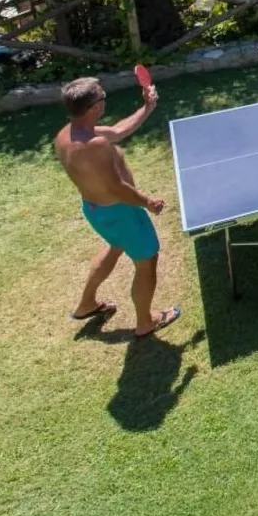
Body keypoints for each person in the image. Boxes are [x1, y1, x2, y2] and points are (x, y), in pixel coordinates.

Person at [53, 77, 180, 338]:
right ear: (93, 108)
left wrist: (147, 107)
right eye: (102, 98)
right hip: (121, 212)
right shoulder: (95, 145)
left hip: (95, 211)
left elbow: (119, 131)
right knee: (147, 262)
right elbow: (116, 187)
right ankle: (146, 322)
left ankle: (86, 304)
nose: (104, 102)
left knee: (115, 246)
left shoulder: (67, 134)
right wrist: (148, 202)